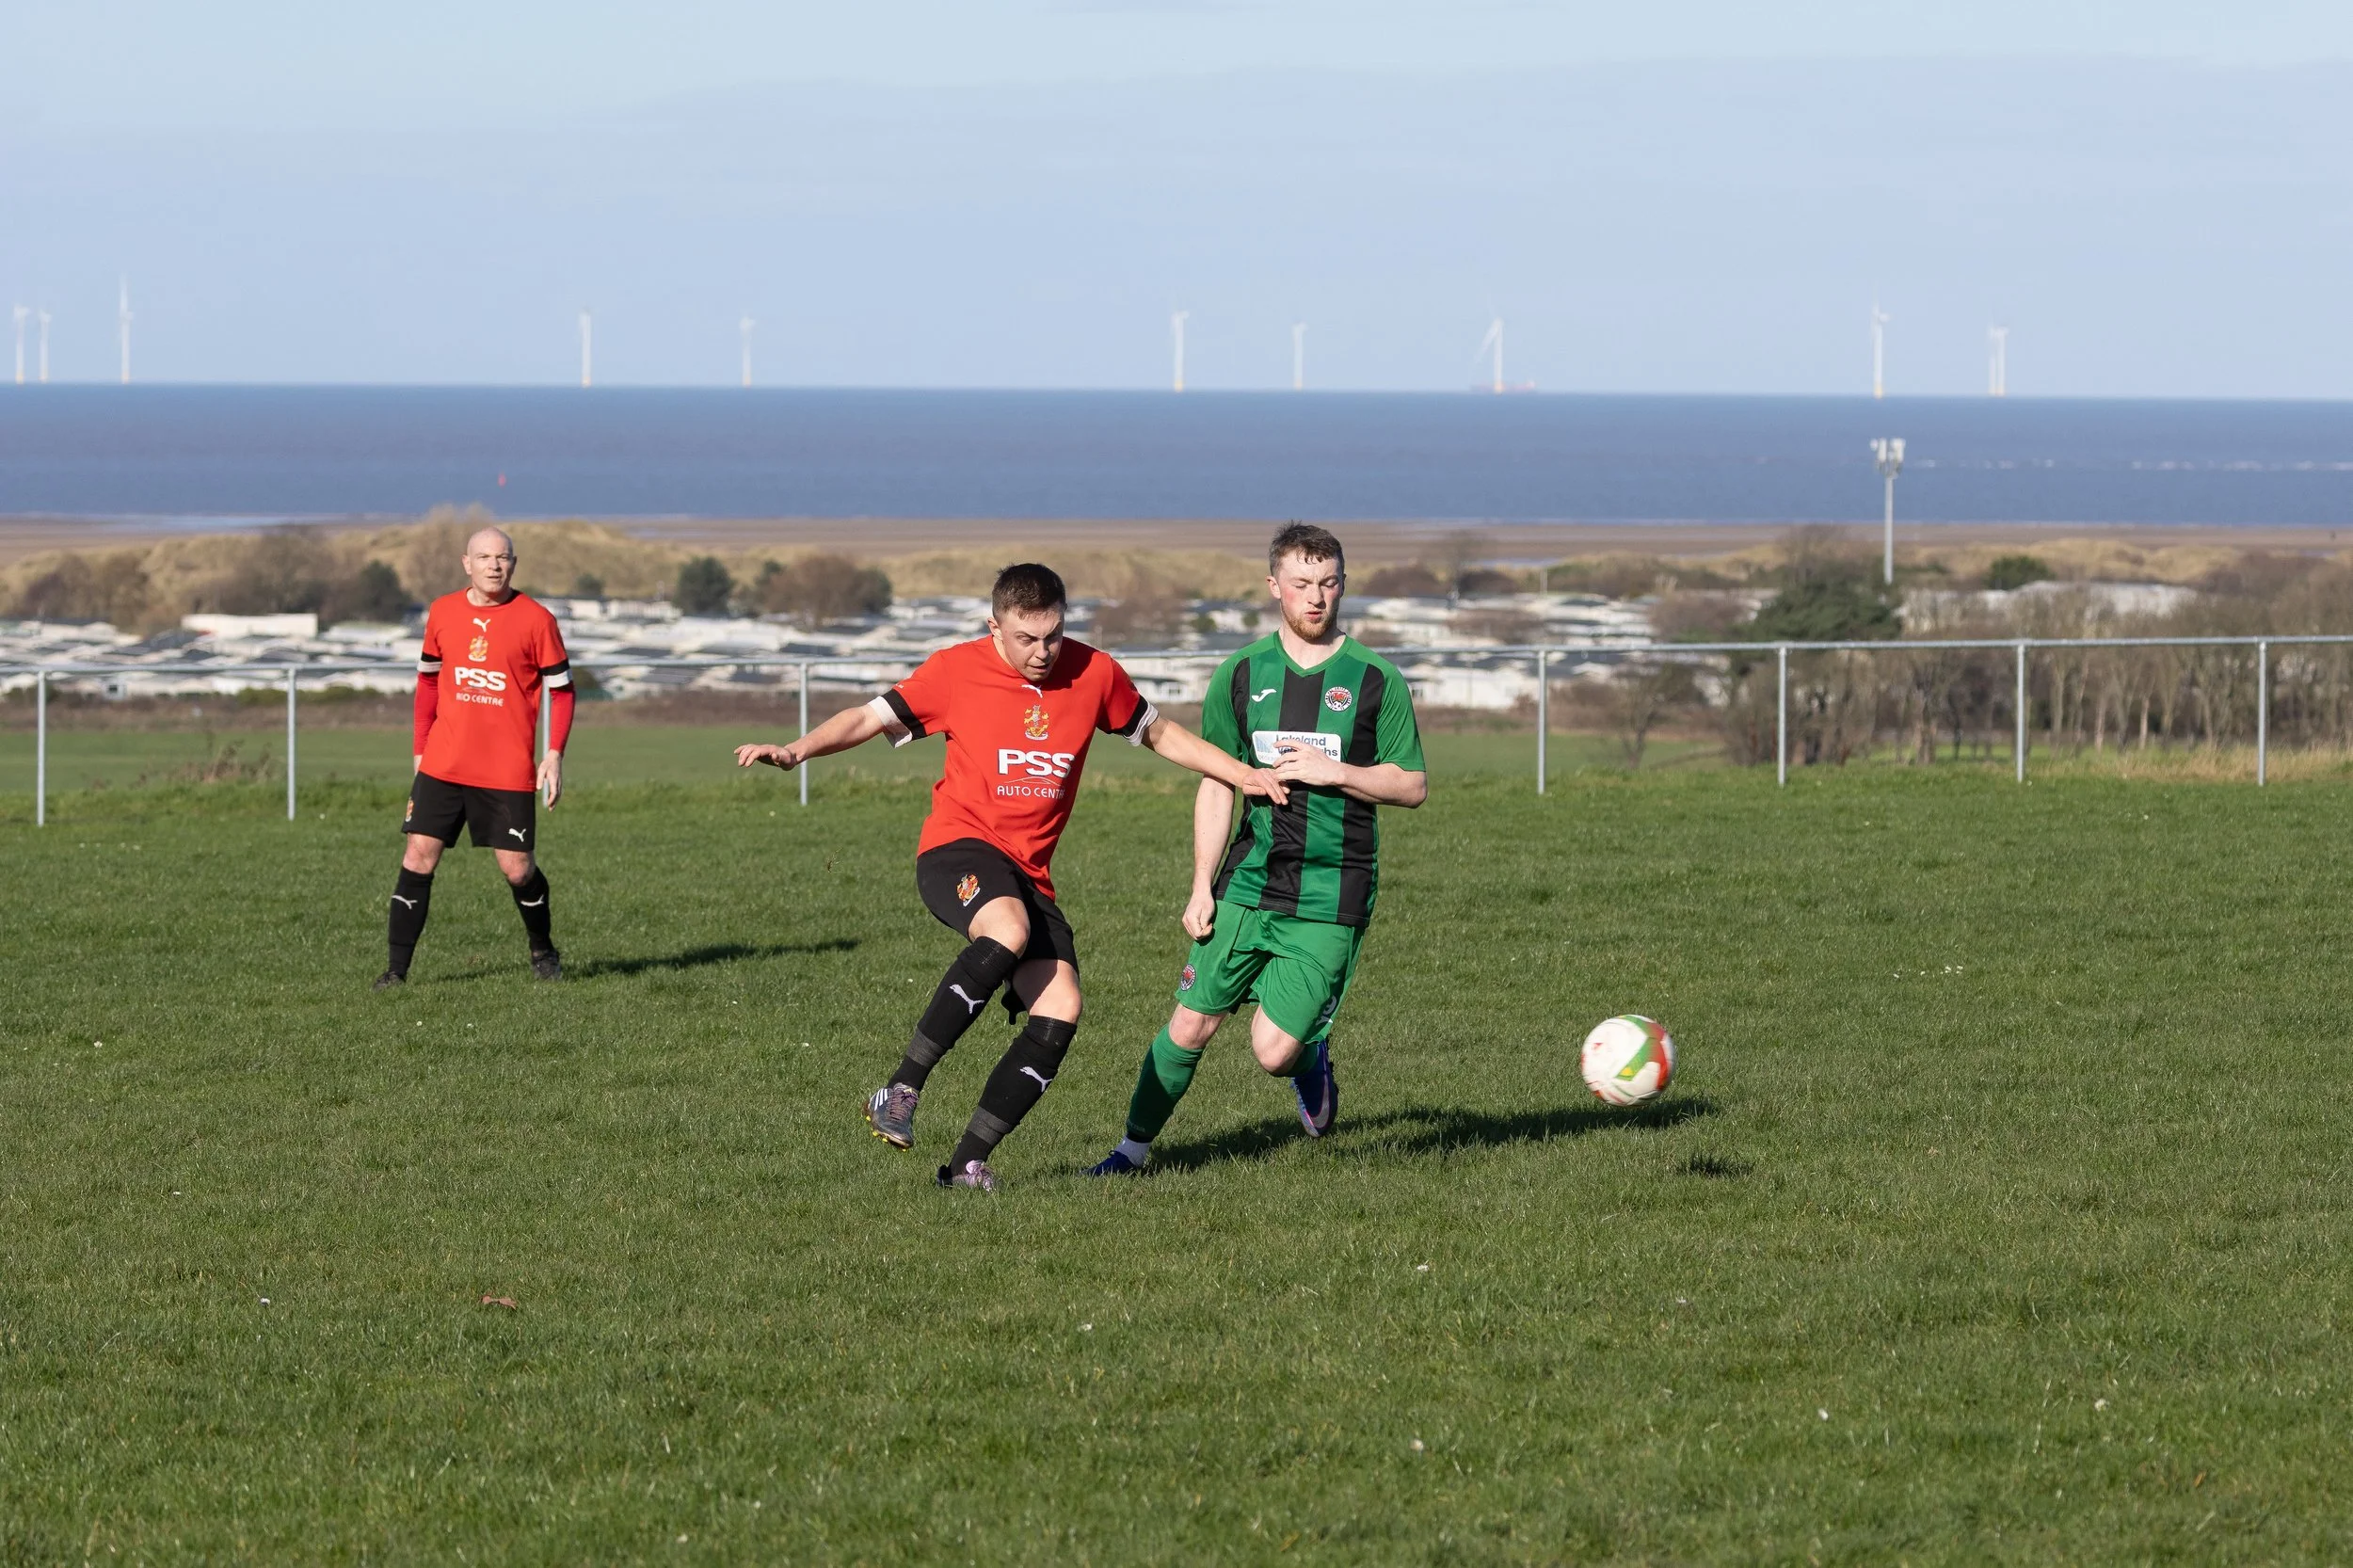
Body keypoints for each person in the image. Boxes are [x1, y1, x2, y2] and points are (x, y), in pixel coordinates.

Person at [734, 562, 1287, 1192]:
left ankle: (966, 1164)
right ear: (994, 626)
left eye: (1052, 635)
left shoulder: (1094, 672)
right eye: (1026, 639)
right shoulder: (955, 670)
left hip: (1030, 873)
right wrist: (797, 749)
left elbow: (1159, 734)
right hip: (957, 849)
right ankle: (900, 1090)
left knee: (1061, 1005)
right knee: (1008, 930)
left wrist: (1241, 774)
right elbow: (867, 717)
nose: (1043, 651)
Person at [1089, 523, 1426, 1176]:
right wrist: (1199, 883)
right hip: (1247, 879)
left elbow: (1411, 784)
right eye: (1301, 583)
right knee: (1189, 1024)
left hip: (1332, 890)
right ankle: (1131, 1152)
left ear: (1343, 586)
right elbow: (1218, 781)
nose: (1316, 597)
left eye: (1328, 583)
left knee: (1272, 1051)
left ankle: (1311, 1065)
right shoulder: (1241, 674)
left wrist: (1342, 774)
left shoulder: (1377, 679)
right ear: (1275, 586)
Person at [376, 526, 573, 988]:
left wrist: (554, 754)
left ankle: (542, 949)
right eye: (484, 557)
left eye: (502, 557)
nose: (493, 565)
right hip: (443, 763)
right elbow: (427, 683)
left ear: (514, 563)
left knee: (517, 868)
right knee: (418, 856)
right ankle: (395, 972)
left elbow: (562, 692)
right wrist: (420, 749)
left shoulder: (536, 619)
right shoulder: (443, 612)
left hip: (505, 769)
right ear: (467, 563)